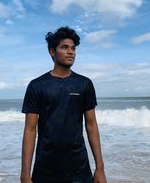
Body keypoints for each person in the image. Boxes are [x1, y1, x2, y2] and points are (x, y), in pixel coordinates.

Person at [21, 26, 107, 183]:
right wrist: (25, 174)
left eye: (73, 48)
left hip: (79, 170)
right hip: (45, 170)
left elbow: (91, 125)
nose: (71, 52)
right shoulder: (37, 85)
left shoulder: (84, 84)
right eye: (64, 47)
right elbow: (30, 130)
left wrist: (100, 168)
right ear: (52, 52)